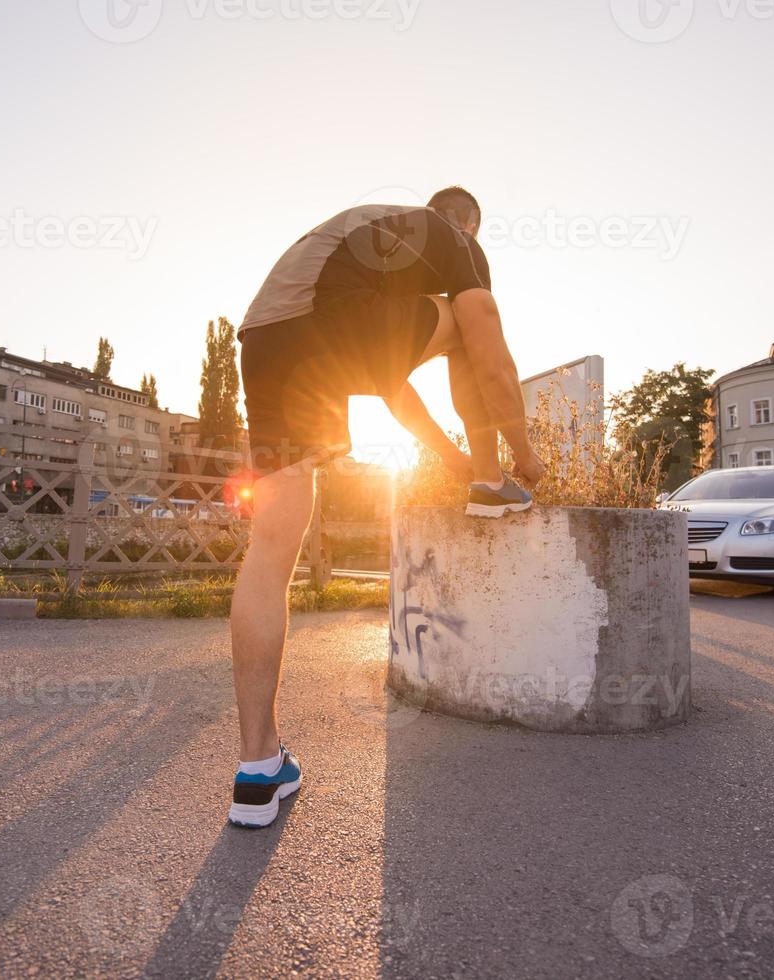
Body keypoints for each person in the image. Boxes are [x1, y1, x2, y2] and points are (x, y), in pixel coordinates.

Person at [226, 187, 545, 828]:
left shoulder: (380, 250)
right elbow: (482, 334)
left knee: (273, 544)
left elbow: (392, 386)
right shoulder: (454, 241)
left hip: (267, 337)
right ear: (470, 225)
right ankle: (492, 480)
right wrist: (523, 453)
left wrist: (447, 459)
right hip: (328, 322)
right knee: (471, 324)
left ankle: (258, 770)